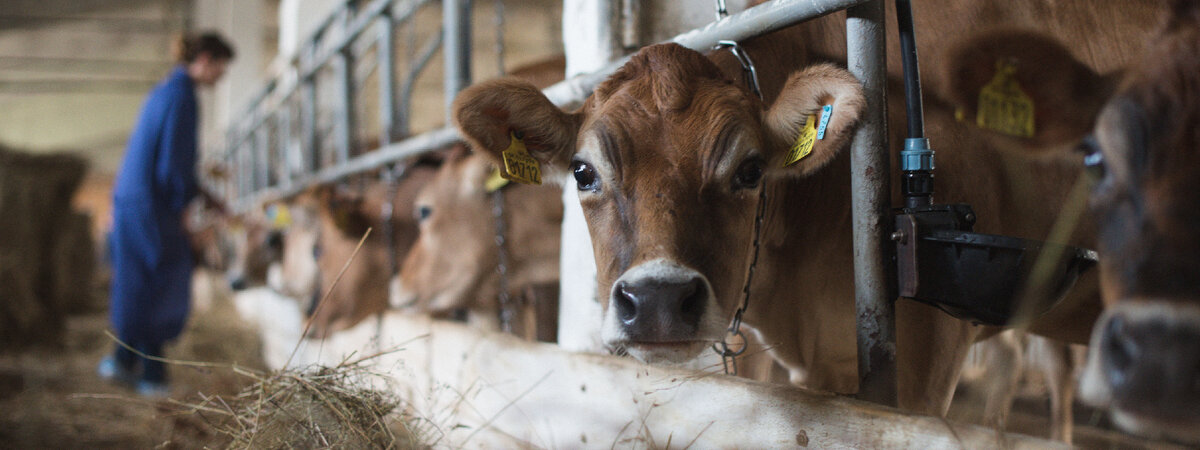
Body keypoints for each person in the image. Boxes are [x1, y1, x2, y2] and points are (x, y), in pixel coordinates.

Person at [97, 32, 234, 397]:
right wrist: (185, 209)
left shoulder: (162, 92)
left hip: (131, 200)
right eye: (221, 67)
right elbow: (173, 167)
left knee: (137, 279)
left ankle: (121, 361)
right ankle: (152, 376)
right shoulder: (183, 97)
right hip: (152, 204)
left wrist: (207, 197)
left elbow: (171, 164)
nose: (222, 77)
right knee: (165, 278)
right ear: (205, 60)